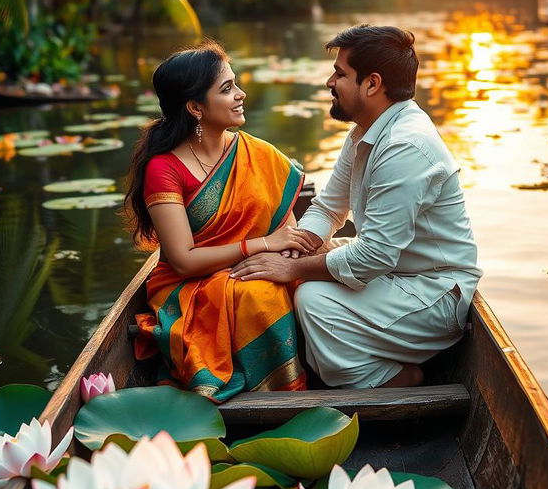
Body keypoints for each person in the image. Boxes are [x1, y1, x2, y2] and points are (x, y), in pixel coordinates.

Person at [232, 24, 482, 389]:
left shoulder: (404, 146)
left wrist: (293, 269)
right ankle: (369, 359)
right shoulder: (366, 130)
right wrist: (294, 248)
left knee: (313, 298)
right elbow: (329, 209)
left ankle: (397, 378)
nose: (330, 82)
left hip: (434, 294)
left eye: (340, 74)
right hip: (395, 275)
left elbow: (374, 257)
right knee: (303, 278)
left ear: (372, 84)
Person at [125, 42, 314, 401]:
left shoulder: (260, 154)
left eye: (236, 83)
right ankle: (281, 394)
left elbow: (288, 233)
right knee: (257, 295)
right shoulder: (164, 169)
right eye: (227, 89)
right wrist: (262, 245)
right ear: (195, 107)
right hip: (191, 284)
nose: (241, 94)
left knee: (311, 285)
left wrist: (278, 258)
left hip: (258, 265)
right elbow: (182, 260)